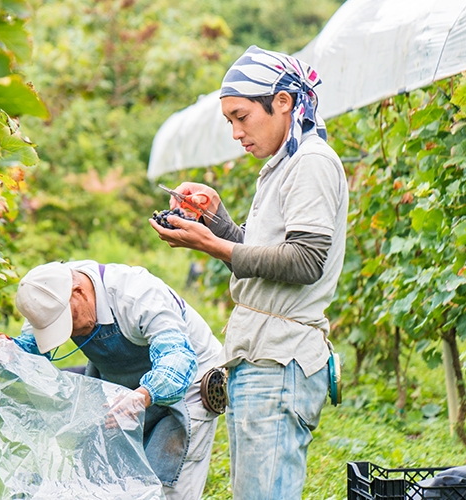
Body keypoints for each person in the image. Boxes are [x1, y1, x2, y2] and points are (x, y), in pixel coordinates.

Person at [149, 45, 349, 500]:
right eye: (230, 122)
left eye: (242, 117)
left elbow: (304, 260)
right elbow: (266, 254)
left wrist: (212, 244)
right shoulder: (280, 166)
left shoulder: (312, 163)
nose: (237, 132)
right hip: (259, 355)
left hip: (282, 359)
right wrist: (218, 221)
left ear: (282, 101)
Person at [11, 259, 223, 500]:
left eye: (70, 321)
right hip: (120, 385)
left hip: (188, 382)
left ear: (78, 292)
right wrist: (6, 351)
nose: (68, 332)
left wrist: (140, 398)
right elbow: (31, 348)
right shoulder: (46, 298)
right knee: (113, 479)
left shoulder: (135, 294)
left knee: (165, 484)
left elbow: (178, 359)